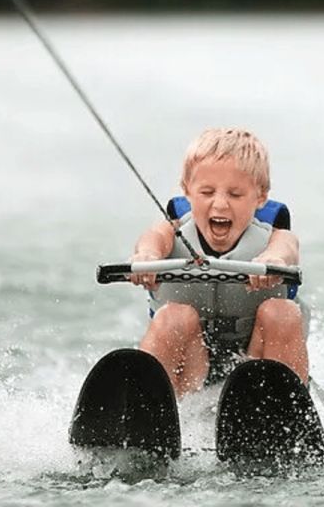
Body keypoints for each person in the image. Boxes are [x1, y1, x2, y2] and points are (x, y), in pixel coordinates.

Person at [129, 128, 309, 397]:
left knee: (281, 313)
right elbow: (152, 239)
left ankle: (284, 410)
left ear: (260, 197)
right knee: (174, 317)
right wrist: (147, 257)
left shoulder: (275, 238)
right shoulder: (170, 231)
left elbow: (287, 248)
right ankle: (146, 406)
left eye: (235, 195)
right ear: (187, 191)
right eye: (207, 192)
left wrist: (273, 261)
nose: (221, 204)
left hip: (256, 365)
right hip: (189, 368)